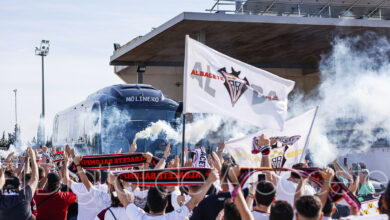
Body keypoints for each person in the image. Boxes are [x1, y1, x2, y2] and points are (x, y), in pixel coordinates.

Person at [113, 168, 219, 219]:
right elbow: (195, 200)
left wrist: (115, 181)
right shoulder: (174, 217)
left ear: (147, 204)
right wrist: (209, 181)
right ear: (166, 204)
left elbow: (123, 199)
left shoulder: (138, 216)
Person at [0, 147, 38, 220]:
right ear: (18, 188)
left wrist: (5, 165)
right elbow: (35, 179)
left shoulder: (1, 200)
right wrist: (33, 158)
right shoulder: (23, 196)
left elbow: (0, 180)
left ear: (4, 186)